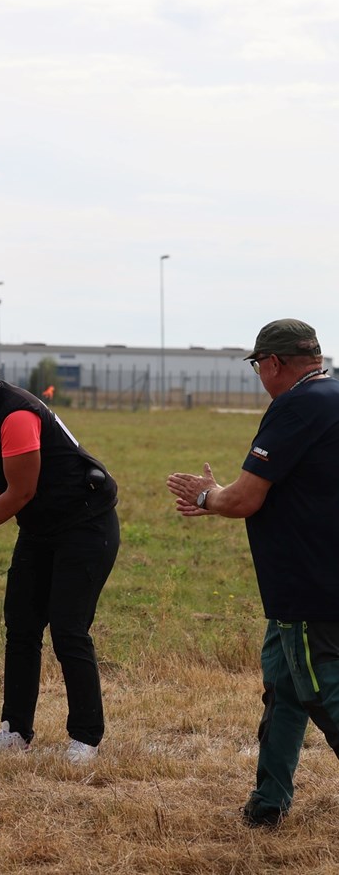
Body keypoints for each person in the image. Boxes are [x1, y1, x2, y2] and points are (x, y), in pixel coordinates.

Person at [166, 319, 339, 828]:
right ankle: (267, 804)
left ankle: (270, 801)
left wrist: (205, 496)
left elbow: (243, 498)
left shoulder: (296, 406)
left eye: (260, 367)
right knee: (284, 689)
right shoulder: (333, 397)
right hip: (316, 575)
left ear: (273, 363)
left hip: (307, 584)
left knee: (321, 693)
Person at [0, 338, 120, 763]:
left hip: (85, 525)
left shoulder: (16, 414)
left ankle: (84, 739)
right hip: (40, 529)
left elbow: (21, 492)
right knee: (22, 626)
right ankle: (15, 730)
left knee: (69, 629)